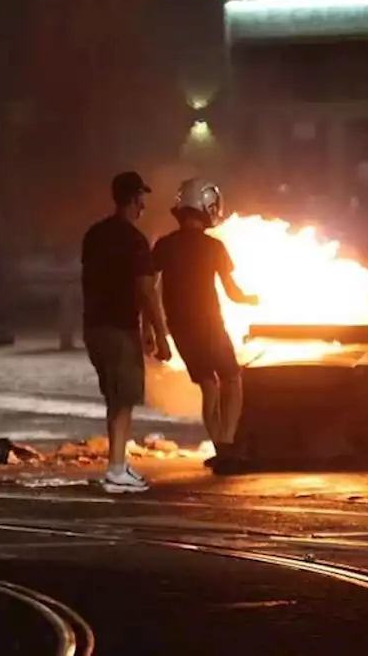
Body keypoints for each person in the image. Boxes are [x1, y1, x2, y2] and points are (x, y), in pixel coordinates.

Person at [152, 179, 258, 473]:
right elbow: (233, 293)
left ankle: (219, 447)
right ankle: (227, 442)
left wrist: (151, 328)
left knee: (209, 386)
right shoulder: (214, 247)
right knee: (232, 379)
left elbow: (147, 286)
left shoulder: (164, 245)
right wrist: (253, 299)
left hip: (181, 329)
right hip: (210, 325)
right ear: (207, 208)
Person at [81, 171, 172, 494]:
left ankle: (118, 463)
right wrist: (159, 335)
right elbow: (146, 290)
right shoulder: (134, 240)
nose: (143, 205)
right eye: (142, 198)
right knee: (124, 401)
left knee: (114, 397)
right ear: (135, 199)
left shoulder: (94, 235)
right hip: (119, 328)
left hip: (93, 327)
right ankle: (117, 471)